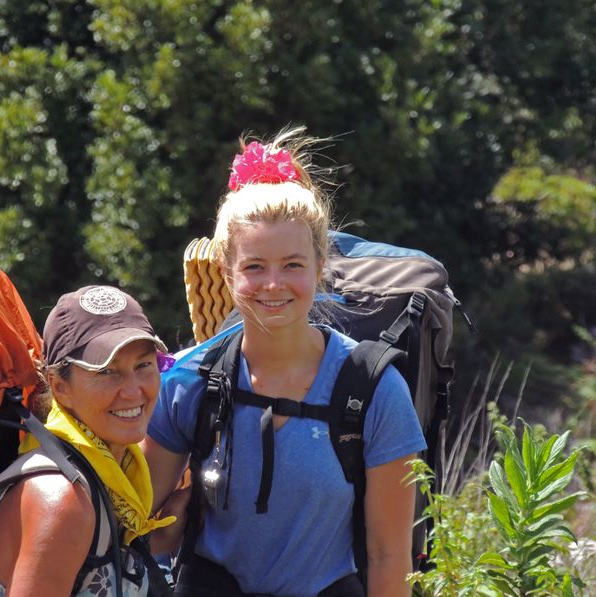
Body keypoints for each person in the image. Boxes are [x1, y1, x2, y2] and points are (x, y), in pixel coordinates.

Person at [142, 128, 426, 596]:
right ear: (227, 271)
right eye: (255, 267)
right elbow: (137, 520)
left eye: (293, 265)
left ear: (320, 266)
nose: (273, 285)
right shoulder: (190, 381)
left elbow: (387, 555)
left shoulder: (372, 390)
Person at [0, 285, 186, 596]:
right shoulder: (62, 499)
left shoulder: (108, 476)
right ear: (60, 387)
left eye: (143, 365)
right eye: (106, 372)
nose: (133, 390)